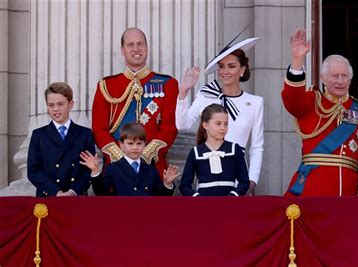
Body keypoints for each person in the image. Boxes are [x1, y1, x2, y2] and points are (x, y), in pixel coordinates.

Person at [282, 29, 358, 197]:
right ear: (323, 78)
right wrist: (297, 60)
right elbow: (291, 99)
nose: (340, 81)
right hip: (313, 188)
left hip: (349, 191)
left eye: (344, 76)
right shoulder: (311, 102)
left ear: (350, 79)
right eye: (335, 76)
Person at [176, 37, 263, 195]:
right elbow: (183, 124)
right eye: (221, 66)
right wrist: (183, 93)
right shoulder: (206, 95)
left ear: (242, 69)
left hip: (238, 175)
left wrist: (251, 181)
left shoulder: (255, 102)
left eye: (231, 66)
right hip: (208, 175)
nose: (225, 72)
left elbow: (256, 146)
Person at [91, 27, 178, 178]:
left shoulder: (168, 84)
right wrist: (121, 159)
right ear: (122, 50)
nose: (136, 48)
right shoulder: (106, 86)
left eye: (140, 44)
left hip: (153, 171)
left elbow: (169, 128)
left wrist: (144, 157)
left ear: (147, 47)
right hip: (116, 171)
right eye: (130, 45)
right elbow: (99, 129)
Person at [27, 82, 97, 197]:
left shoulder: (84, 134)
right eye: (51, 105)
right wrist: (56, 192)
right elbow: (33, 171)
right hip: (49, 197)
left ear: (71, 104)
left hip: (76, 198)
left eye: (60, 104)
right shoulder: (38, 135)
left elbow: (88, 169)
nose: (55, 109)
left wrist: (73, 192)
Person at [84, 122, 178, 196]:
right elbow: (101, 193)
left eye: (139, 143)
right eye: (130, 143)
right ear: (121, 145)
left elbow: (161, 199)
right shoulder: (113, 168)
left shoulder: (150, 169)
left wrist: (167, 184)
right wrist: (95, 172)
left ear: (144, 144)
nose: (135, 148)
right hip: (122, 215)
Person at [179, 104, 250, 196]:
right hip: (204, 206)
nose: (223, 128)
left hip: (229, 206)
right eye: (218, 123)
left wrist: (233, 195)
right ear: (205, 125)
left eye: (226, 124)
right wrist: (197, 198)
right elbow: (184, 185)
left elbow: (244, 182)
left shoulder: (234, 149)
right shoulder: (196, 152)